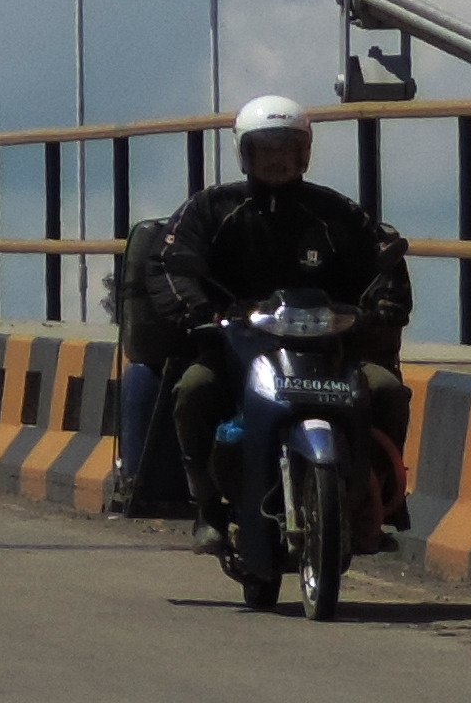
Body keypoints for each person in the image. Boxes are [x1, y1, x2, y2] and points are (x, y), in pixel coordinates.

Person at [142, 95, 414, 547]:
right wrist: (200, 313)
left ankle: (375, 504)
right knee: (193, 390)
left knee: (385, 390)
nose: (277, 160)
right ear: (245, 154)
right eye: (265, 149)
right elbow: (168, 263)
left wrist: (383, 305)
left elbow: (382, 260)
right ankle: (207, 507)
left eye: (287, 148)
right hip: (236, 350)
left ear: (304, 153)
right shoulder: (212, 209)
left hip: (328, 354)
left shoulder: (336, 213)